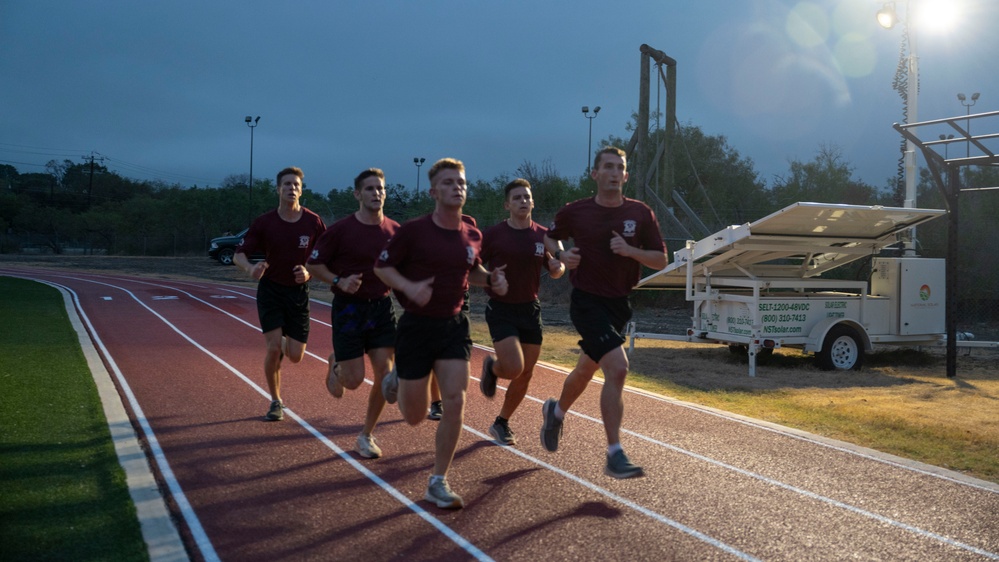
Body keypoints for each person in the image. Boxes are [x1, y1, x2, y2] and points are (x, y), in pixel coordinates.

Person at [374, 158, 508, 509]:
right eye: (448, 182)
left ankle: (438, 481)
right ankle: (399, 377)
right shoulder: (413, 231)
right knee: (415, 416)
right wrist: (409, 286)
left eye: (460, 181)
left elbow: (472, 270)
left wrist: (492, 279)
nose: (456, 187)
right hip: (416, 327)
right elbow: (382, 267)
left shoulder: (473, 233)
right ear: (434, 191)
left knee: (455, 400)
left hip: (454, 325)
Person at [540, 147, 667, 479]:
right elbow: (548, 239)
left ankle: (556, 411)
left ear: (626, 176)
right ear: (594, 174)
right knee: (618, 368)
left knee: (585, 370)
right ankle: (614, 452)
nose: (614, 172)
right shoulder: (576, 211)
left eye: (620, 168)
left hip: (619, 303)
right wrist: (563, 257)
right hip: (586, 301)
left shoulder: (641, 214)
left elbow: (661, 260)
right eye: (607, 167)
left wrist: (630, 251)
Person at [306, 168, 399, 458]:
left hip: (381, 308)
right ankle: (337, 365)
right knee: (353, 381)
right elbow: (313, 265)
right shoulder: (340, 230)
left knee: (385, 375)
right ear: (357, 194)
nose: (376, 194)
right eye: (370, 189)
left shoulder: (396, 231)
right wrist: (338, 281)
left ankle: (366, 435)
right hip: (349, 309)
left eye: (380, 188)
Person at [234, 166, 327, 422]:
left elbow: (326, 256)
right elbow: (238, 254)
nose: (291, 188)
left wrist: (308, 273)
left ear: (301, 189)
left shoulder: (313, 222)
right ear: (278, 189)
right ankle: (275, 401)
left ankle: (282, 343)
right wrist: (251, 268)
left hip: (298, 294)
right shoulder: (265, 222)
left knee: (296, 356)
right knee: (273, 348)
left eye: (296, 184)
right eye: (287, 184)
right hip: (271, 291)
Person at [478, 178, 565, 446]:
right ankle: (493, 367)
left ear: (533, 202)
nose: (523, 201)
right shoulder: (494, 235)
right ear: (507, 204)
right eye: (517, 198)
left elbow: (557, 265)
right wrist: (490, 277)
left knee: (526, 372)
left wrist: (556, 269)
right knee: (514, 368)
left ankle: (502, 422)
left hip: (530, 308)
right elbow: (472, 267)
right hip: (501, 308)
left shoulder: (542, 234)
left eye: (527, 197)